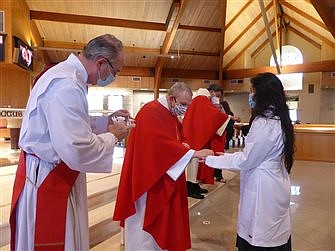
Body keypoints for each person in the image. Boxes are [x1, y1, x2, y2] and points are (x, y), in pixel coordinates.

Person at [9, 34, 133, 251]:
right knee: (61, 239)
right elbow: (77, 149)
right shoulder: (66, 85)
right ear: (101, 62)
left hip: (49, 172)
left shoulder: (66, 75)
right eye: (115, 71)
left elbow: (69, 123)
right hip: (49, 177)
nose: (113, 76)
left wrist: (106, 121)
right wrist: (114, 135)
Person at [113, 82, 214, 251]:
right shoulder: (150, 112)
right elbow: (159, 145)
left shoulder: (169, 114)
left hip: (161, 175)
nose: (185, 109)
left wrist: (185, 146)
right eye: (183, 104)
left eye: (188, 105)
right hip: (147, 179)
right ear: (171, 98)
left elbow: (177, 139)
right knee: (144, 231)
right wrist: (193, 153)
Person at [205, 72, 295, 250]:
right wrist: (221, 156)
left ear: (263, 94)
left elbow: (247, 160)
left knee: (259, 231)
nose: (250, 95)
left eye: (252, 91)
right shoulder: (279, 119)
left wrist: (212, 159)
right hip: (274, 180)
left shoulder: (265, 123)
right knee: (272, 230)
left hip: (263, 186)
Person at [182, 88, 230, 199]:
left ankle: (194, 185)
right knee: (193, 165)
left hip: (192, 137)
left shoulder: (195, 102)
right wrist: (227, 117)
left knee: (195, 164)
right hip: (196, 139)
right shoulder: (201, 101)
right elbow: (214, 117)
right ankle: (190, 188)